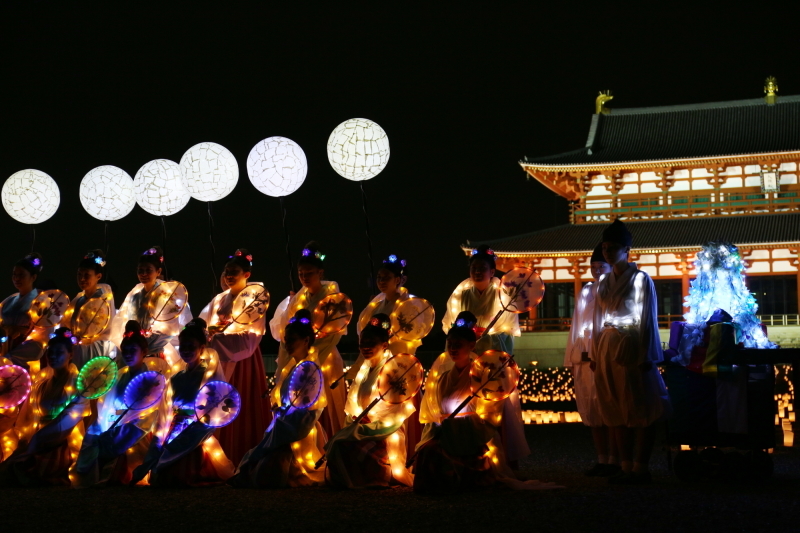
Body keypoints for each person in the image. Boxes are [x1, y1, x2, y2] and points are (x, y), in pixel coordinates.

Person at [414, 312, 559, 492]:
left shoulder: (482, 376)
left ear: (472, 345)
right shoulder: (443, 378)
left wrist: (464, 422)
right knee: (426, 452)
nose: (453, 349)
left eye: (458, 345)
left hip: (470, 432)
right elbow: (434, 412)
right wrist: (439, 425)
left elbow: (490, 411)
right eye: (450, 344)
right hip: (447, 432)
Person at [592, 219, 671, 484]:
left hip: (631, 344)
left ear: (627, 249)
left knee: (638, 404)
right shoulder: (604, 281)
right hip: (607, 344)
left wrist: (646, 355)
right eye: (604, 246)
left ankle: (641, 466)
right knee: (612, 403)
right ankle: (624, 465)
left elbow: (647, 317)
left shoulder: (639, 279)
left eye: (613, 246)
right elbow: (596, 318)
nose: (607, 251)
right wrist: (594, 351)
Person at [441, 245, 529, 467]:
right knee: (465, 402)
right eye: (474, 267)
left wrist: (484, 335)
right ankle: (466, 451)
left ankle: (504, 454)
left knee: (498, 405)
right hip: (468, 355)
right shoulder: (461, 291)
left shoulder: (503, 292)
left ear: (493, 271)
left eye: (483, 268)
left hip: (492, 355)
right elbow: (450, 324)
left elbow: (507, 327)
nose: (477, 272)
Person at [131, 318, 234, 486]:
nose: (185, 351)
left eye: (191, 347)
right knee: (161, 475)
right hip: (174, 427)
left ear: (201, 348)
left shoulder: (207, 375)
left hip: (196, 427)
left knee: (176, 475)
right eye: (183, 347)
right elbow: (167, 410)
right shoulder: (177, 377)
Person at [232, 309, 327, 488]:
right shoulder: (292, 367)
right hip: (286, 418)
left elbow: (308, 404)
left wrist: (286, 413)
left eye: (292, 340)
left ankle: (249, 464)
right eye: (286, 340)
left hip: (299, 421)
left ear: (306, 340)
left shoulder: (310, 367)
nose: (287, 344)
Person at [71, 321, 169, 487]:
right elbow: (105, 405)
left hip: (136, 429)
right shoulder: (119, 374)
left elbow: (148, 415)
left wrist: (118, 429)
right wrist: (101, 426)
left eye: (133, 351)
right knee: (92, 435)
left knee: (115, 451)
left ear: (144, 352)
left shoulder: (151, 379)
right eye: (125, 351)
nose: (128, 354)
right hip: (113, 423)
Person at [323, 314, 415, 488]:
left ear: (384, 345)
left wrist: (365, 425)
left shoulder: (393, 371)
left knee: (343, 445)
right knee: (338, 441)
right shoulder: (364, 370)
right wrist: (355, 421)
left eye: (371, 343)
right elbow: (353, 404)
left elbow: (394, 413)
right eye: (362, 343)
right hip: (363, 426)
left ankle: (371, 477)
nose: (366, 347)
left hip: (384, 432)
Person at [199, 248, 271, 465]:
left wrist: (218, 336)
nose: (229, 276)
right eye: (227, 272)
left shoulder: (255, 299)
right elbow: (204, 322)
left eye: (234, 272)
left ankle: (244, 453)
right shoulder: (219, 299)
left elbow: (252, 334)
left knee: (238, 402)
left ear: (246, 274)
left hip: (242, 359)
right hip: (218, 359)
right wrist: (207, 332)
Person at [270, 241, 347, 438]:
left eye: (309, 273)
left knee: (329, 405)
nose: (304, 277)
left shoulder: (331, 293)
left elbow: (333, 332)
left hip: (325, 356)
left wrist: (311, 355)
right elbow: (285, 329)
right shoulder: (299, 298)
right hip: (300, 358)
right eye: (301, 274)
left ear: (320, 273)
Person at [0, 328, 91, 486]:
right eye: (50, 352)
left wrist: (38, 440)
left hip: (62, 443)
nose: (53, 356)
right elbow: (28, 416)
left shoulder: (79, 384)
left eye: (59, 352)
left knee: (27, 470)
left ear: (71, 354)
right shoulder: (41, 382)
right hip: (38, 439)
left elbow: (68, 422)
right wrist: (25, 440)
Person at [356, 254, 424, 458]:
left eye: (386, 277)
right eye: (379, 277)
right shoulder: (375, 305)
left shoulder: (411, 305)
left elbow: (415, 334)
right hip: (378, 364)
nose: (381, 281)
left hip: (400, 365)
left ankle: (405, 455)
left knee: (398, 410)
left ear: (399, 280)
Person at [565, 243, 619, 477]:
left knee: (609, 408)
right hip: (584, 354)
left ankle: (615, 459)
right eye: (594, 266)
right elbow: (576, 324)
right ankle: (602, 458)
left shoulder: (615, 289)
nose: (597, 270)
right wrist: (571, 359)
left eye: (601, 266)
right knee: (592, 408)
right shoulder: (586, 290)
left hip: (605, 353)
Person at [111, 246, 192, 371]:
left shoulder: (165, 295)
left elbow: (170, 327)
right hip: (135, 355)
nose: (143, 274)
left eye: (148, 270)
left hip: (155, 354)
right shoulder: (134, 297)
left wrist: (149, 335)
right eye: (140, 270)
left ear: (158, 272)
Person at [61, 250, 117, 369]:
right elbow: (66, 324)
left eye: (86, 275)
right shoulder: (77, 300)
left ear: (98, 276)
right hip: (76, 350)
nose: (82, 279)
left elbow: (103, 327)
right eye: (79, 275)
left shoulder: (103, 299)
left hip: (96, 350)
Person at [0, 253, 49, 369]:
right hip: (4, 350)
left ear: (33, 277)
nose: (16, 278)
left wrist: (9, 357)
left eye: (21, 275)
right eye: (14, 275)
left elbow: (42, 337)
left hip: (25, 359)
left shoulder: (41, 301)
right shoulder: (8, 301)